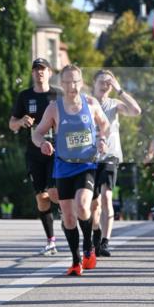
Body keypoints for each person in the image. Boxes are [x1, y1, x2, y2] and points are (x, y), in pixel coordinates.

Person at [31, 64, 109, 276]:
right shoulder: (54, 108)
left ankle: (88, 247)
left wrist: (102, 140)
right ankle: (76, 261)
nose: (71, 85)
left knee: (83, 207)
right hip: (64, 166)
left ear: (81, 83)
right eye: (66, 81)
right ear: (61, 84)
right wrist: (42, 143)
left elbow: (105, 125)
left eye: (75, 81)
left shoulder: (91, 104)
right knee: (67, 217)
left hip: (87, 164)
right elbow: (36, 133)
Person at [9, 57, 60, 255]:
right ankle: (51, 240)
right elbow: (11, 124)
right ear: (32, 73)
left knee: (54, 193)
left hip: (56, 151)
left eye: (43, 69)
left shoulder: (58, 94)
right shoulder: (24, 96)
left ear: (50, 72)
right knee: (42, 197)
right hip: (34, 152)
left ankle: (68, 214)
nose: (39, 72)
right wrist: (21, 121)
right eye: (36, 69)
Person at [90, 71, 141, 257]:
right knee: (93, 204)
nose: (106, 85)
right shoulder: (87, 102)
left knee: (106, 198)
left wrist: (120, 90)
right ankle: (95, 236)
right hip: (89, 157)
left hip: (110, 156)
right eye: (102, 82)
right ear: (93, 83)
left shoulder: (114, 104)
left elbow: (136, 111)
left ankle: (105, 242)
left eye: (109, 83)